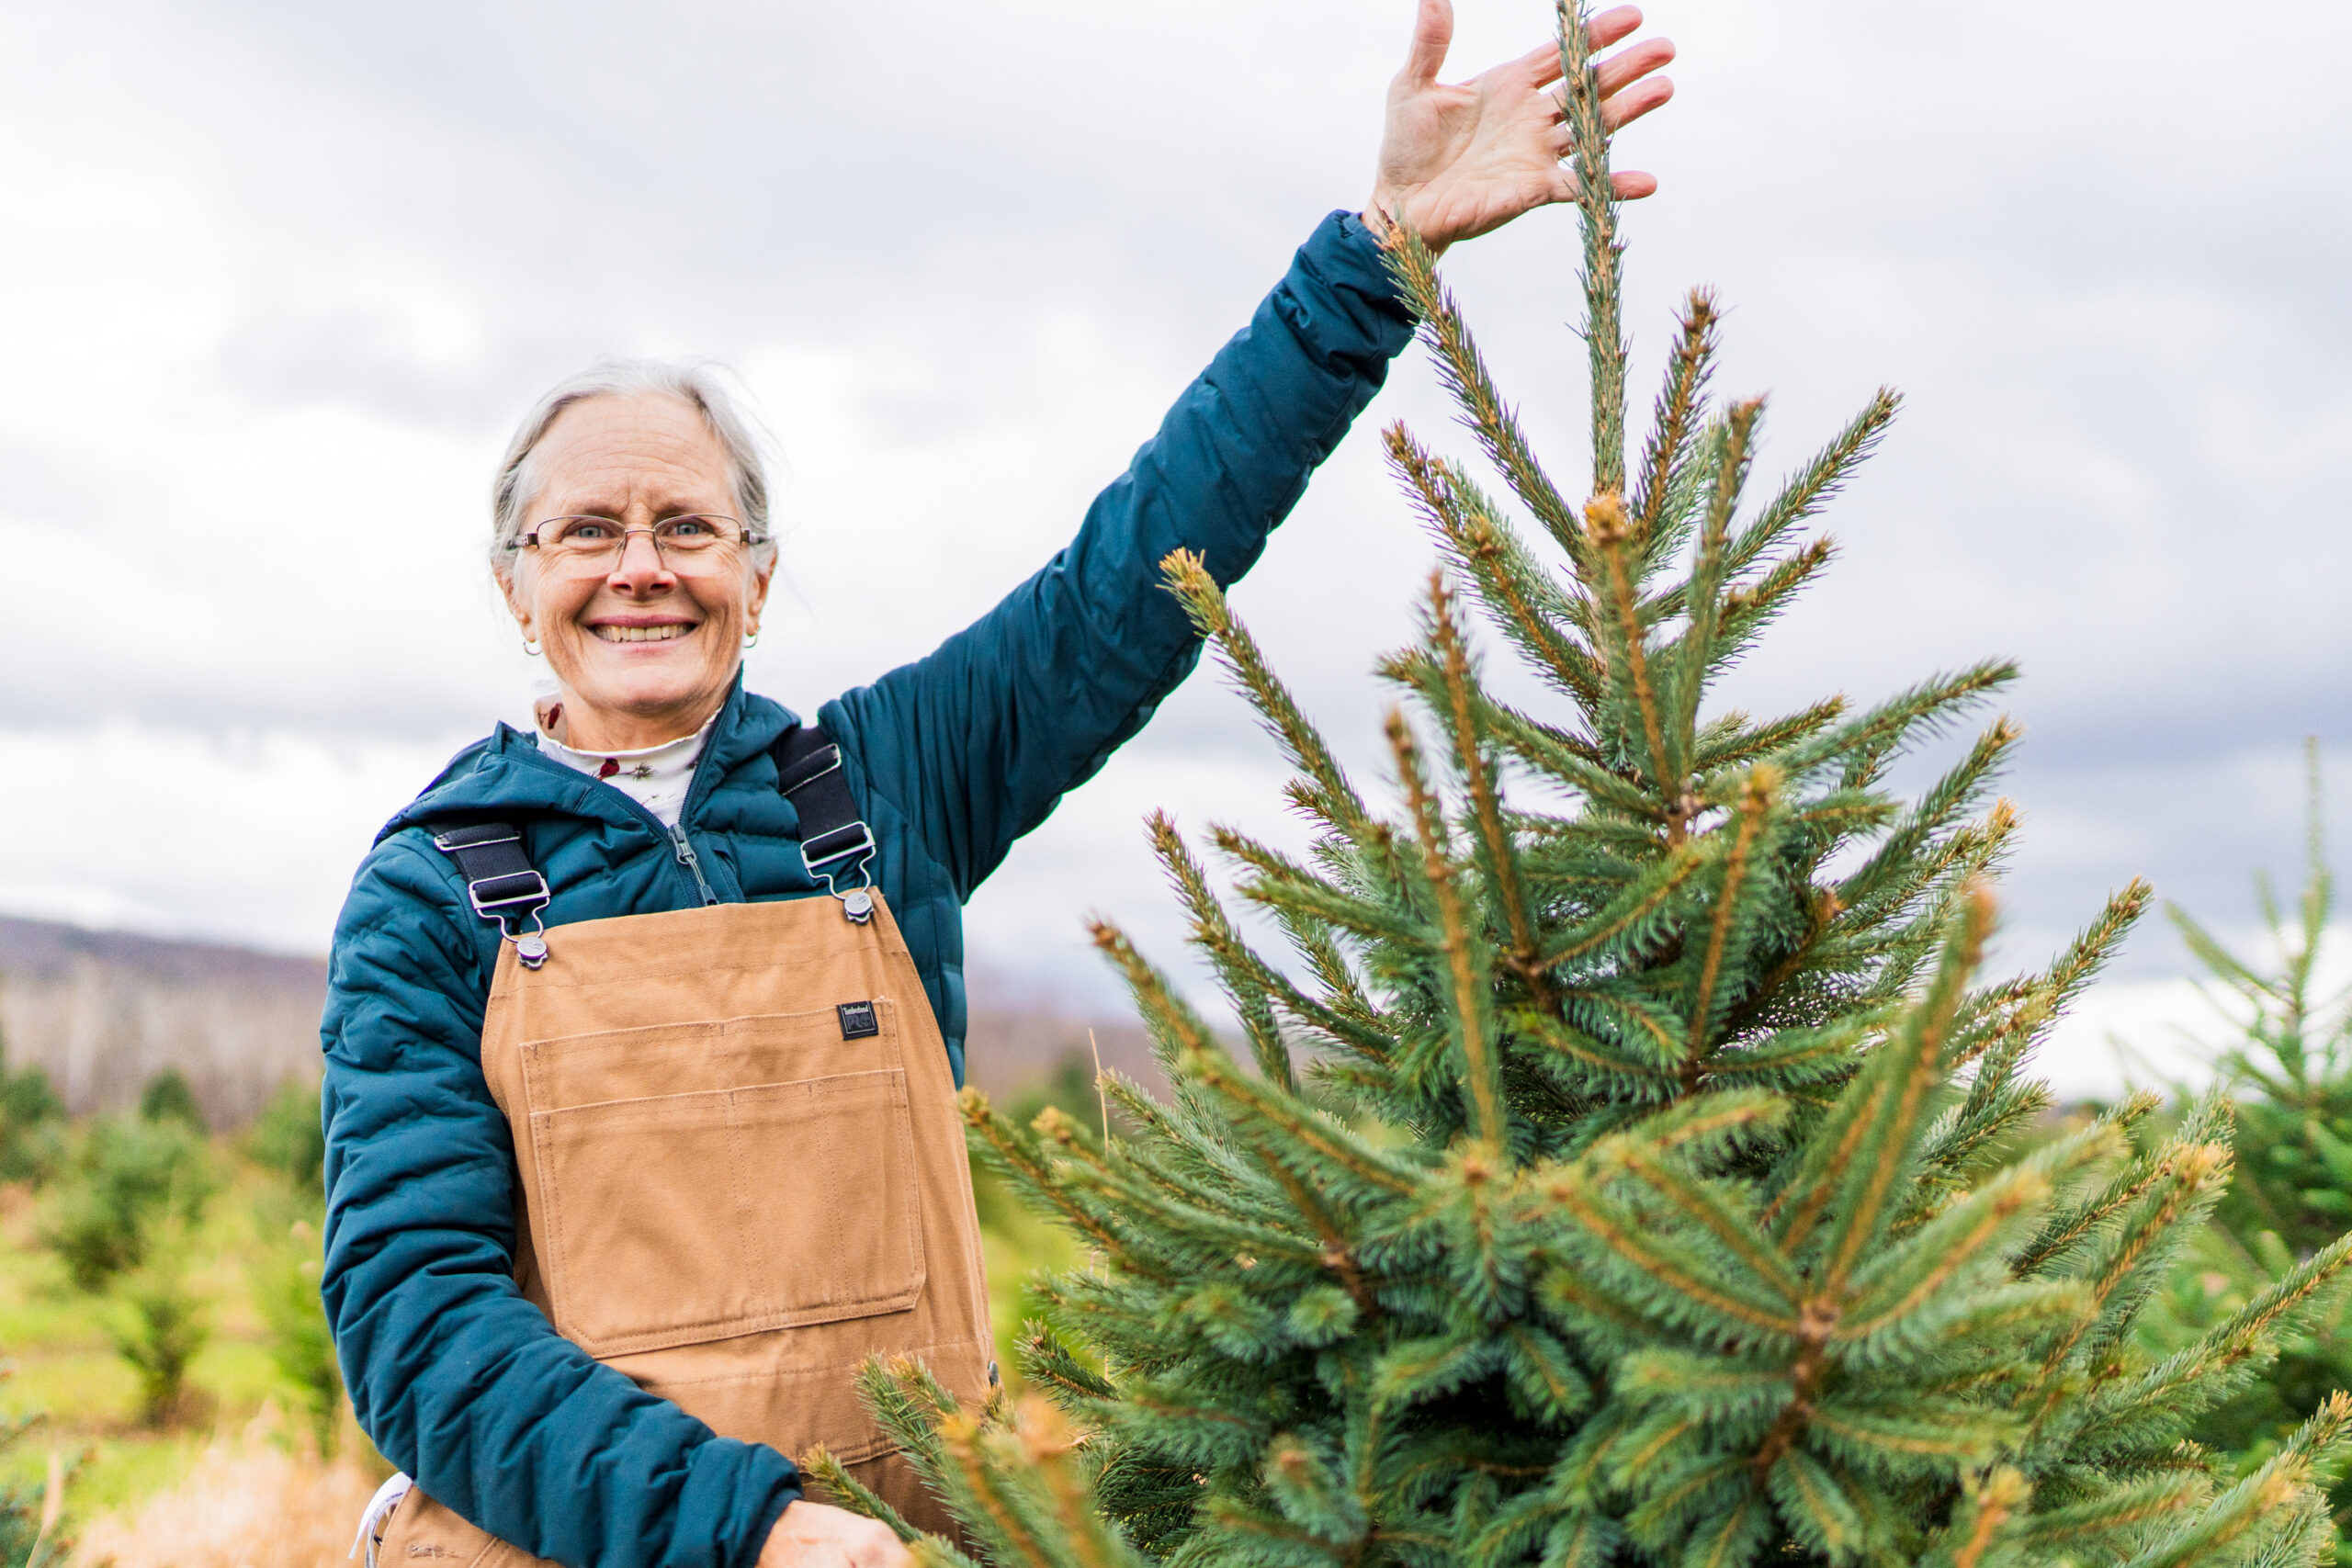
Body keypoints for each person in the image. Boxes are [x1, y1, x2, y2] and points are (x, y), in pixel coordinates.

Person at [320, 5, 1676, 1565]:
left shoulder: (883, 784)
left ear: (760, 576)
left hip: (907, 1538)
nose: (643, 571)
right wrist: (749, 1533)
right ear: (516, 584)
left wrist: (1375, 259)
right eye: (587, 532)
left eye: (688, 528)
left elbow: (1138, 567)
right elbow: (418, 1324)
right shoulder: (435, 886)